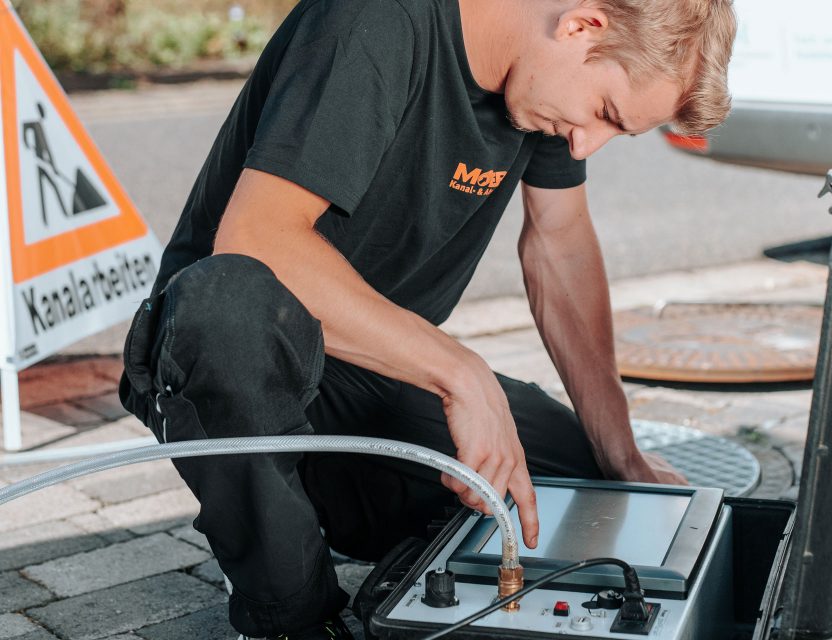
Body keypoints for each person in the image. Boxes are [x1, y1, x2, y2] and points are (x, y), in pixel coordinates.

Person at [119, 0, 736, 637]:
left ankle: (341, 529)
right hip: (232, 357)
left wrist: (621, 454)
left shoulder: (546, 81)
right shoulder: (375, 21)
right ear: (582, 25)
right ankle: (287, 606)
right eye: (606, 112)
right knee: (227, 305)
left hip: (375, 366)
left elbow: (560, 244)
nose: (586, 143)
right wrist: (461, 375)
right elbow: (256, 239)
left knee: (578, 489)